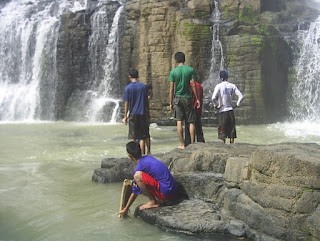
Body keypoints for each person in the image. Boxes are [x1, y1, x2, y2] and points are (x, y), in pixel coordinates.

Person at [117, 141, 178, 215]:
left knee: (137, 176)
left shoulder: (139, 167)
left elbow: (135, 191)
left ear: (130, 156)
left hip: (167, 193)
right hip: (174, 189)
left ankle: (153, 202)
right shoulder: (149, 157)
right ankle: (159, 199)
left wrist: (126, 208)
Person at [169, 52, 200, 149]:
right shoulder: (190, 70)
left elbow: (171, 89)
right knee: (191, 121)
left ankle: (182, 144)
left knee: (179, 121)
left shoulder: (173, 72)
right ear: (184, 59)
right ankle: (192, 143)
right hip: (188, 97)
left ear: (176, 60)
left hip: (178, 98)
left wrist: (170, 103)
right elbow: (194, 85)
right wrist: (197, 98)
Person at [122, 69, 150, 154]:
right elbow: (146, 101)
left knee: (133, 136)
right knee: (143, 136)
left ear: (129, 77)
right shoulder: (143, 86)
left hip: (133, 114)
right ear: (138, 76)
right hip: (142, 113)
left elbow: (126, 103)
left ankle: (134, 155)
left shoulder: (128, 88)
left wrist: (125, 116)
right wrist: (148, 113)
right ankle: (144, 154)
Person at [211, 69, 243, 144]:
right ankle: (232, 148)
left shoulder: (218, 86)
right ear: (227, 76)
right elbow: (241, 96)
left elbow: (213, 98)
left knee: (222, 133)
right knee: (231, 133)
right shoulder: (232, 86)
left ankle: (224, 149)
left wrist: (216, 105)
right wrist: (236, 105)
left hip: (222, 111)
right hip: (230, 111)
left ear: (220, 77)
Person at [185, 80, 205, 146]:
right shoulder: (200, 86)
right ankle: (201, 143)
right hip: (198, 110)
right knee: (199, 130)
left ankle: (189, 143)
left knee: (188, 128)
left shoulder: (189, 86)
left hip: (190, 110)